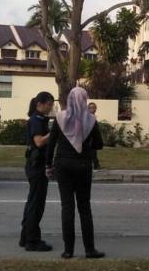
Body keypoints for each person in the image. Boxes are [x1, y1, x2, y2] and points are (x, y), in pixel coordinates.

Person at [46, 87, 105, 259]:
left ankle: (68, 250)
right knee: (84, 208)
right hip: (83, 166)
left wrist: (48, 164)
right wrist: (86, 144)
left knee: (67, 207)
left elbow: (51, 143)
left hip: (63, 165)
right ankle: (89, 249)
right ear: (85, 99)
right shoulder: (91, 119)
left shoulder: (60, 117)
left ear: (70, 99)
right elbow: (99, 144)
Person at [20, 91, 55, 251]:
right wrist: (54, 133)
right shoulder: (36, 120)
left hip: (36, 166)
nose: (51, 107)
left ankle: (25, 236)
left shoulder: (40, 119)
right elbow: (39, 142)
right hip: (37, 166)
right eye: (49, 104)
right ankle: (32, 241)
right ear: (40, 104)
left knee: (32, 202)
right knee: (36, 204)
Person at [87, 102, 102, 170]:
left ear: (95, 109)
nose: (92, 109)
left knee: (94, 152)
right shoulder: (88, 118)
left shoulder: (94, 118)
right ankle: (95, 165)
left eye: (93, 108)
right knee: (91, 152)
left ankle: (96, 165)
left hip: (93, 139)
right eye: (90, 108)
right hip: (88, 139)